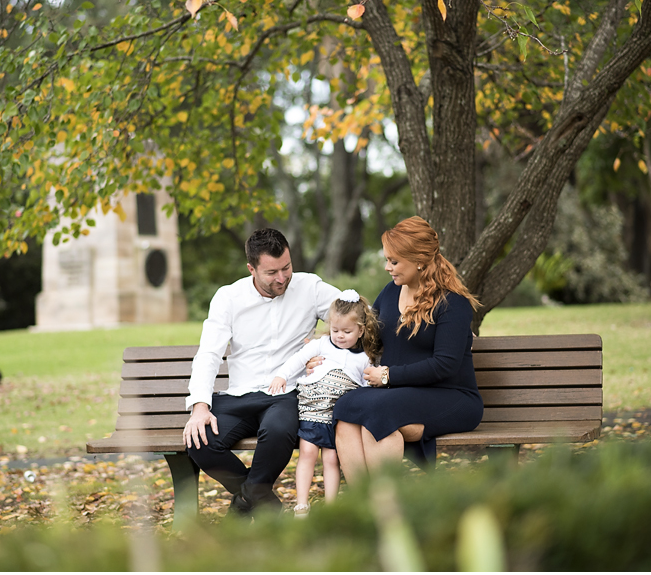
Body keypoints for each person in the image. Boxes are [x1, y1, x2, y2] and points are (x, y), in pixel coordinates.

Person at [182, 227, 341, 516]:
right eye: (271, 272)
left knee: (278, 431)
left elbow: (357, 316)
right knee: (200, 441)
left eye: (286, 267)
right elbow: (209, 354)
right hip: (238, 395)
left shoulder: (310, 287)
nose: (282, 278)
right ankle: (264, 503)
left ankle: (244, 506)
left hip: (285, 394)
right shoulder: (228, 297)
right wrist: (200, 406)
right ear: (251, 269)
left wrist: (324, 348)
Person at [331, 216, 483, 483]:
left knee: (378, 415)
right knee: (346, 408)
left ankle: (386, 503)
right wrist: (325, 349)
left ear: (419, 260)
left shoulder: (452, 303)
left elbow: (444, 365)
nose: (387, 267)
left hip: (450, 396)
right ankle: (362, 502)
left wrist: (388, 376)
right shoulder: (391, 292)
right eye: (387, 260)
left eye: (394, 261)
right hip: (398, 395)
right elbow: (369, 336)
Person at [268, 290, 381, 517]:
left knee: (331, 458)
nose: (339, 336)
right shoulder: (321, 345)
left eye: (347, 332)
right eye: (335, 330)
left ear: (361, 330)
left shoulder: (364, 358)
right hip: (312, 409)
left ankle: (331, 507)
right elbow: (298, 359)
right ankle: (301, 505)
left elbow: (366, 387)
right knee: (307, 452)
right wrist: (282, 376)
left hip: (336, 418)